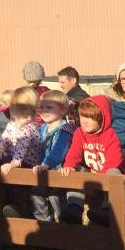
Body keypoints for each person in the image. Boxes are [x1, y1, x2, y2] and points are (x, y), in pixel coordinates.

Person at [59, 96, 123, 223]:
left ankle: (107, 210)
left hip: (106, 174)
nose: (86, 121)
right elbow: (74, 152)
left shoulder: (110, 135)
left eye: (91, 117)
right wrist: (69, 165)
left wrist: (98, 182)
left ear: (102, 118)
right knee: (75, 170)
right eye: (83, 117)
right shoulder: (79, 133)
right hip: (91, 173)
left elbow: (114, 160)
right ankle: (74, 207)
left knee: (114, 173)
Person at [30, 90, 76, 222]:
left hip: (58, 170)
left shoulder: (65, 129)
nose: (44, 111)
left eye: (49, 107)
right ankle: (44, 222)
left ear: (62, 110)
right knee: (35, 194)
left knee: (55, 197)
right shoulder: (43, 127)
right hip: (42, 170)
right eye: (42, 107)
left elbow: (59, 150)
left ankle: (63, 224)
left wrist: (46, 164)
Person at [0, 103, 41, 174]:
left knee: (4, 163)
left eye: (15, 119)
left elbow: (22, 148)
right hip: (13, 157)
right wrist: (0, 148)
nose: (13, 122)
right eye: (12, 118)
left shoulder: (27, 129)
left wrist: (14, 163)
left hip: (27, 163)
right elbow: (4, 138)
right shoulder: (11, 124)